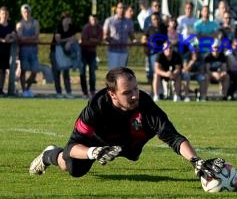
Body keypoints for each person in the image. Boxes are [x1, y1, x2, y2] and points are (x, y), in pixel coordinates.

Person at [28, 66, 224, 180]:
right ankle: (49, 154)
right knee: (73, 168)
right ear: (112, 94)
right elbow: (72, 146)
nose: (134, 96)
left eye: (136, 89)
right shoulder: (97, 106)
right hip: (97, 143)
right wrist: (93, 152)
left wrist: (195, 161)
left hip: (128, 143)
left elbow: (173, 137)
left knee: (151, 132)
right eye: (127, 92)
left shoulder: (145, 104)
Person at [50, 12, 80, 98]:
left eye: (69, 18)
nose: (68, 20)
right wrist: (69, 40)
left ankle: (68, 92)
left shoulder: (71, 28)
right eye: (67, 18)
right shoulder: (58, 27)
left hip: (66, 52)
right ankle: (58, 92)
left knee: (66, 72)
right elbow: (58, 40)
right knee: (57, 72)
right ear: (63, 19)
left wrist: (70, 42)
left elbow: (75, 38)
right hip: (55, 52)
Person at [16, 4, 40, 98]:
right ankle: (24, 90)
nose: (27, 14)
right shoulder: (19, 24)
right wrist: (32, 39)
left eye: (28, 12)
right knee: (23, 70)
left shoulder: (35, 23)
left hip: (33, 50)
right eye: (25, 12)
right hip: (23, 50)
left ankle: (28, 87)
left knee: (34, 70)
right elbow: (20, 38)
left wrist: (26, 39)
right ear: (22, 13)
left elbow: (37, 36)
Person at [102, 2, 135, 70]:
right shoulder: (109, 20)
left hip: (124, 50)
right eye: (120, 8)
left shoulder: (129, 21)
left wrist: (134, 41)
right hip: (113, 50)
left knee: (121, 72)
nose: (122, 9)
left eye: (123, 8)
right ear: (116, 9)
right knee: (112, 72)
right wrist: (111, 40)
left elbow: (131, 35)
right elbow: (104, 35)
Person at [140, 12, 168, 88]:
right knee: (154, 72)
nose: (155, 20)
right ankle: (155, 91)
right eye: (153, 19)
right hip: (153, 53)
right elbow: (143, 39)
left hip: (163, 53)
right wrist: (149, 42)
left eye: (157, 19)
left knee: (163, 71)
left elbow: (168, 39)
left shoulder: (164, 28)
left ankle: (162, 91)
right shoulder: (149, 29)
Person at [80, 14, 103, 99]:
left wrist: (91, 40)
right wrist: (94, 40)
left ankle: (92, 91)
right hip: (83, 52)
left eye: (95, 19)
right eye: (92, 19)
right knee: (82, 72)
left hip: (92, 52)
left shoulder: (99, 29)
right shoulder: (86, 28)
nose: (94, 21)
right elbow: (84, 40)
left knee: (92, 72)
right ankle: (84, 91)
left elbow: (100, 40)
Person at [0, 6, 16, 96]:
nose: (4, 15)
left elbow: (15, 36)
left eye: (6, 14)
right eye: (2, 13)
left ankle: (1, 89)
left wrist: (9, 37)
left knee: (3, 70)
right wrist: (3, 40)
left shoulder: (10, 26)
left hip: (6, 51)